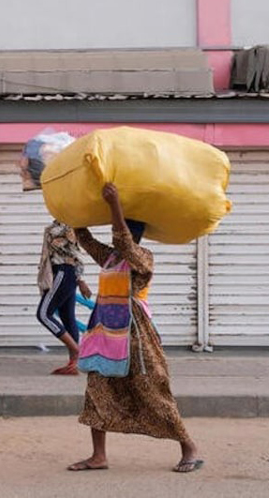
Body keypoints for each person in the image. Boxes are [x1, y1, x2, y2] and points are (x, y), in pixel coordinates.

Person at [69, 182, 203, 474]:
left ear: (135, 235)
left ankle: (189, 446)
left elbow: (123, 239)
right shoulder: (111, 258)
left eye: (125, 231)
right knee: (97, 391)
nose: (118, 236)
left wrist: (115, 204)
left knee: (153, 391)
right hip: (105, 333)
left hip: (136, 336)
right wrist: (73, 207)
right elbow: (84, 237)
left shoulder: (142, 257)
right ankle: (98, 456)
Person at [36, 219, 92, 375]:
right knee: (68, 318)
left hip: (62, 272)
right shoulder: (68, 225)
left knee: (43, 314)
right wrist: (80, 280)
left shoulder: (65, 227)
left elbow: (73, 253)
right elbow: (75, 254)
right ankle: (73, 363)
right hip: (68, 274)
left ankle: (76, 351)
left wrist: (80, 280)